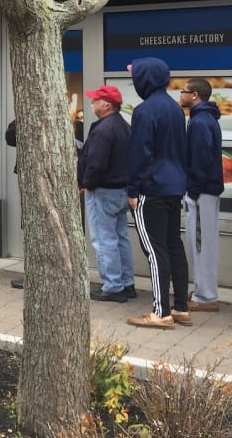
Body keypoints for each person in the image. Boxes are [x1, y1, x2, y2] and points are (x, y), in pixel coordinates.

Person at [126, 57, 190, 330]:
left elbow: (140, 154)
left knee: (154, 250)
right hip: (175, 186)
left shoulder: (144, 111)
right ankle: (180, 308)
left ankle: (160, 311)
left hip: (150, 189)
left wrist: (133, 189)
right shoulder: (175, 109)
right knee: (173, 244)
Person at [78, 85, 135, 302]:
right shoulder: (123, 125)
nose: (91, 103)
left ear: (106, 105)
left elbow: (96, 162)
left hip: (103, 190)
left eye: (95, 100)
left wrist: (84, 183)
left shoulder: (103, 129)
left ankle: (113, 286)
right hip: (121, 189)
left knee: (104, 240)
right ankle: (127, 282)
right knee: (120, 238)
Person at [180, 78, 224, 312]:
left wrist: (193, 191)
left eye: (184, 91)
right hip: (206, 189)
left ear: (195, 95)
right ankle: (203, 291)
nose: (181, 95)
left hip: (201, 191)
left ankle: (205, 296)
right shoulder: (206, 118)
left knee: (200, 244)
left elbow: (201, 158)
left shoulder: (200, 121)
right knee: (203, 242)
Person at [5, 119, 25, 289]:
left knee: (32, 223)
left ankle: (35, 273)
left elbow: (10, 137)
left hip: (32, 174)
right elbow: (10, 138)